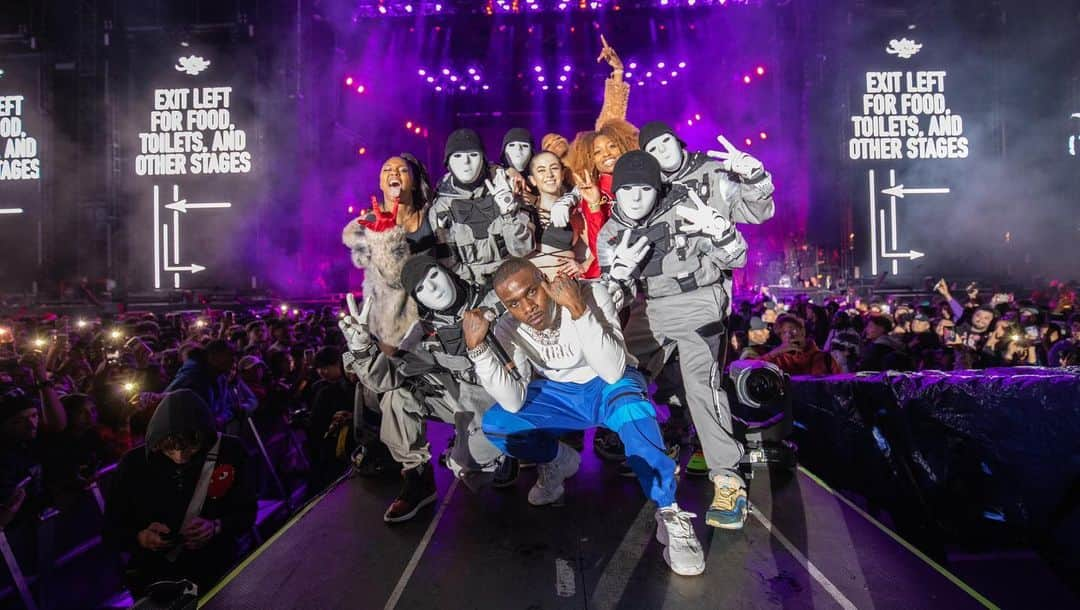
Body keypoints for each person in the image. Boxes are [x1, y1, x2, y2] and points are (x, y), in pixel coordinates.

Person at [465, 258, 706, 576]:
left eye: (532, 292)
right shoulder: (509, 327)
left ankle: (668, 510)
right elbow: (513, 401)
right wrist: (478, 350)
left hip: (608, 383)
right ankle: (557, 460)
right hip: (560, 395)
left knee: (634, 411)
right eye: (514, 303)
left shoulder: (592, 293)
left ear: (544, 280)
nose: (528, 307)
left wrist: (578, 311)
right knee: (499, 424)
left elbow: (612, 369)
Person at [597, 151, 750, 530]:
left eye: (645, 188)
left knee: (702, 384)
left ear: (658, 188)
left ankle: (728, 478)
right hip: (650, 307)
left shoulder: (686, 209)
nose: (635, 197)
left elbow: (739, 257)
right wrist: (615, 276)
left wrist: (721, 231)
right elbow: (612, 298)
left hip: (698, 299)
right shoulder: (611, 232)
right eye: (627, 189)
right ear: (615, 192)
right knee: (617, 374)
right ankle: (654, 449)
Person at [340, 257, 513, 523]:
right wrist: (362, 349)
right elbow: (387, 378)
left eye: (433, 275)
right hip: (462, 404)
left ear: (446, 271)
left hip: (508, 400)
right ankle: (417, 478)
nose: (433, 289)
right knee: (397, 395)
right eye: (420, 289)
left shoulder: (494, 299)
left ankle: (516, 452)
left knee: (474, 466)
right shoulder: (424, 329)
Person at [103, 390, 255, 597]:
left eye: (191, 447)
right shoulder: (133, 465)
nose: (181, 457)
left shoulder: (230, 451)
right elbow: (111, 529)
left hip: (218, 568)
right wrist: (140, 537)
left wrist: (217, 526)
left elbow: (247, 511)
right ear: (155, 440)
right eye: (169, 449)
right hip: (156, 578)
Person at [428, 128, 536, 286]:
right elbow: (447, 262)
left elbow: (523, 250)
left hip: (513, 281)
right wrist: (474, 289)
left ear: (483, 159)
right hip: (469, 287)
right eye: (457, 156)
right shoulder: (441, 208)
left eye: (473, 155)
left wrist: (509, 214)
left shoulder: (505, 188)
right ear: (448, 163)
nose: (466, 162)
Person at [525, 151, 592, 280]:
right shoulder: (526, 212)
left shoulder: (573, 213)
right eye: (541, 170)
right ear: (532, 180)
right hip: (531, 291)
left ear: (562, 174)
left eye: (554, 168)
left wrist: (583, 266)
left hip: (564, 288)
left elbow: (597, 247)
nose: (549, 174)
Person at [760, 314, 842, 376]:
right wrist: (773, 353)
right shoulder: (777, 360)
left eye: (793, 330)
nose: (790, 335)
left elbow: (840, 384)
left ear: (803, 331)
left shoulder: (825, 358)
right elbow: (751, 369)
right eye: (784, 333)